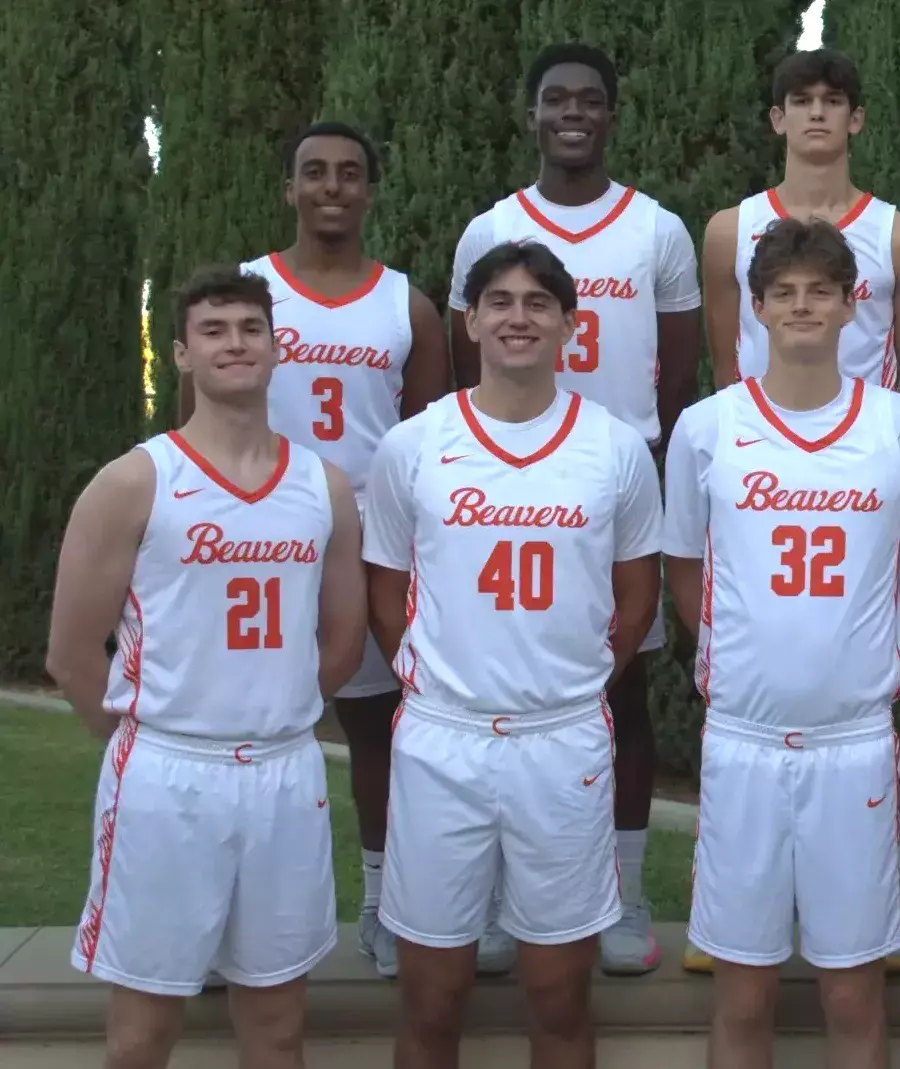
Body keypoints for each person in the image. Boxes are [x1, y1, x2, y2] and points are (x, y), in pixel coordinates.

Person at [45, 265, 365, 1069]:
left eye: (251, 328)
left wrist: (274, 706)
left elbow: (341, 639)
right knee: (142, 1036)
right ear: (182, 354)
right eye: (213, 330)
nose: (235, 343)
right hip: (167, 774)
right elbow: (72, 654)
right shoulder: (135, 481)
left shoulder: (323, 485)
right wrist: (145, 742)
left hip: (284, 772)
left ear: (277, 346)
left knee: (278, 1029)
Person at [364, 240, 662, 1069]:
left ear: (570, 324)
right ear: (470, 321)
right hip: (442, 737)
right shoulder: (413, 445)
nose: (517, 317)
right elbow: (387, 590)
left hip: (561, 740)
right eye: (499, 301)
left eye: (538, 303)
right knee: (431, 995)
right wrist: (432, 673)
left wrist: (578, 677)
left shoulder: (615, 448)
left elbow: (637, 595)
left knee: (560, 996)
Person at [661, 216, 900, 1069]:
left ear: (853, 303)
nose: (801, 306)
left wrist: (880, 662)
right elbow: (686, 569)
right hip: (742, 737)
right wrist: (733, 654)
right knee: (743, 994)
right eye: (782, 292)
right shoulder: (707, 427)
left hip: (852, 742)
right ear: (754, 307)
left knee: (852, 991)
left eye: (820, 290)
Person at [446, 41, 701, 976]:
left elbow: (677, 374)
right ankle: (499, 898)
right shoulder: (490, 228)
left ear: (612, 115)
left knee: (619, 689)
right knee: (493, 686)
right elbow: (467, 357)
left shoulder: (657, 230)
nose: (573, 113)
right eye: (556, 98)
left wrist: (634, 462)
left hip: (611, 479)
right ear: (533, 115)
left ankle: (623, 896)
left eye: (590, 99)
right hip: (505, 483)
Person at [199, 121, 451, 979]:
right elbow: (196, 429)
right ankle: (222, 919)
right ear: (290, 188)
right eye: (314, 171)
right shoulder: (251, 293)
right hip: (259, 535)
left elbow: (429, 444)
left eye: (349, 172)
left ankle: (383, 905)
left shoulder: (407, 305)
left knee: (378, 730)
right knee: (235, 726)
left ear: (370, 190)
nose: (332, 186)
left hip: (369, 539)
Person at [705, 47, 900, 401]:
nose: (817, 113)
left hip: (866, 431)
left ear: (855, 119)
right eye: (801, 101)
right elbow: (726, 370)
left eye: (832, 101)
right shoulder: (729, 232)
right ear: (778, 119)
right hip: (758, 429)